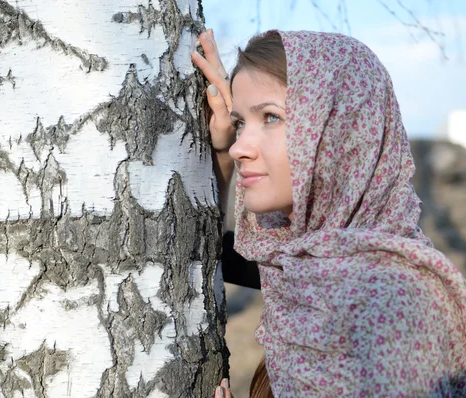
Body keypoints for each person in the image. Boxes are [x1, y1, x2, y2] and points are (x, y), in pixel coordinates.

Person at [191, 29, 466, 397]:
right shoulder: (306, 267)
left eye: (271, 117)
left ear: (341, 133)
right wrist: (222, 154)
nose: (242, 146)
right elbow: (224, 255)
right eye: (241, 123)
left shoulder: (392, 304)